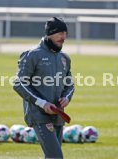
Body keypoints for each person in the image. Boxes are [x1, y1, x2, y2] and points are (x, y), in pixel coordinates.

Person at [13, 17, 74, 159]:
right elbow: (19, 83)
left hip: (58, 115)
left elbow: (69, 84)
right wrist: (42, 103)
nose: (63, 37)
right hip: (39, 115)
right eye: (60, 33)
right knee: (56, 156)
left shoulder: (65, 58)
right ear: (50, 34)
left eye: (65, 33)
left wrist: (67, 97)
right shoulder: (32, 55)